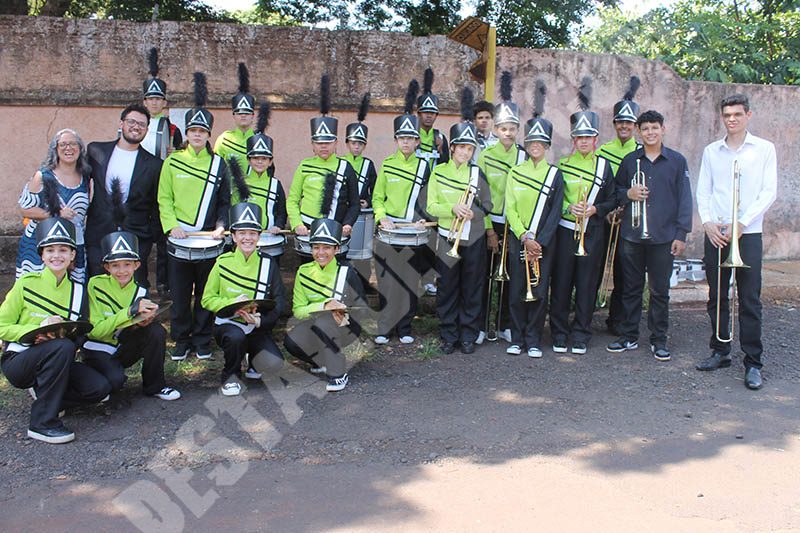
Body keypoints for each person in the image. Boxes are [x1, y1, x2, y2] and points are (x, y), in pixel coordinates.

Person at [0, 218, 112, 444]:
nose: (56, 255)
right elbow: (2, 326)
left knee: (100, 389)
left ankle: (47, 395)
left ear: (72, 255)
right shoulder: (26, 283)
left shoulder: (79, 291)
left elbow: (80, 334)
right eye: (50, 250)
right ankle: (42, 423)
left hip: (59, 359)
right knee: (61, 346)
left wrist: (62, 334)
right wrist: (37, 330)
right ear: (42, 255)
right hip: (20, 359)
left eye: (63, 250)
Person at [695, 94, 777, 390]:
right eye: (727, 115)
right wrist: (707, 223)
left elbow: (769, 192)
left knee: (750, 299)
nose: (731, 119)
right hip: (717, 232)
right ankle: (720, 351)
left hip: (748, 234)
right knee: (717, 296)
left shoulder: (764, 149)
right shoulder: (711, 151)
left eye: (737, 114)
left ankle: (753, 363)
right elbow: (703, 191)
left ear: (748, 115)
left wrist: (742, 223)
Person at [606, 110, 693, 361]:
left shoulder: (677, 161)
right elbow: (616, 192)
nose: (650, 132)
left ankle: (659, 339)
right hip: (632, 235)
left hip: (664, 236)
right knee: (630, 289)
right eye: (645, 129)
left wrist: (681, 234)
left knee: (659, 291)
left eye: (654, 127)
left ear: (663, 129)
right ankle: (628, 336)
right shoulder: (630, 161)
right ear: (639, 132)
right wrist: (628, 194)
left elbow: (685, 199)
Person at [158, 72, 230, 361]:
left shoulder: (218, 164)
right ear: (186, 134)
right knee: (179, 294)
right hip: (179, 237)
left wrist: (221, 226)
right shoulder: (172, 162)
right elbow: (164, 198)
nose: (197, 135)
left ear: (209, 135)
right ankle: (181, 339)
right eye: (193, 131)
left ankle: (202, 339)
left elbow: (225, 201)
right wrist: (171, 226)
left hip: (207, 239)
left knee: (205, 293)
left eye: (202, 131)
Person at [550, 77, 616, 355]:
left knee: (586, 285)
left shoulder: (604, 167)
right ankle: (558, 332)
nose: (584, 141)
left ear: (595, 139)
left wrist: (595, 209)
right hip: (566, 231)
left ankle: (581, 333)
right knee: (561, 282)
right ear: (573, 140)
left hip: (592, 232)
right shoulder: (562, 165)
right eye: (579, 137)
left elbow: (613, 199)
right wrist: (569, 208)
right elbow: (554, 200)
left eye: (588, 137)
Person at [426, 95, 493, 355]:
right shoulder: (438, 172)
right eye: (461, 147)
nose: (465, 152)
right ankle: (448, 335)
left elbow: (488, 204)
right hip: (447, 237)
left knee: (472, 288)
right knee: (447, 288)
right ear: (452, 147)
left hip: (473, 239)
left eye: (470, 148)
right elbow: (431, 206)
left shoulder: (477, 173)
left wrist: (475, 212)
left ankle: (467, 335)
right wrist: (452, 209)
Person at [504, 82, 564, 358]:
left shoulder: (555, 174)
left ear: (547, 145)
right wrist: (524, 236)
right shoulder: (515, 172)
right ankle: (517, 338)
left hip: (543, 244)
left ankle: (534, 339)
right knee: (517, 289)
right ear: (526, 145)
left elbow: (555, 212)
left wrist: (540, 241)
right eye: (531, 142)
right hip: (520, 239)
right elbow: (510, 208)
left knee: (539, 290)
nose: (536, 146)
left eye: (541, 142)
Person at [83, 231, 181, 400]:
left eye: (127, 264)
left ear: (136, 265)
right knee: (115, 383)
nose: (122, 271)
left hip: (122, 346)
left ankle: (155, 386)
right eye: (115, 265)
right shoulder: (95, 284)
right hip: (97, 348)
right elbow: (95, 332)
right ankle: (93, 376)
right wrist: (129, 312)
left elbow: (129, 327)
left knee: (156, 331)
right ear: (107, 267)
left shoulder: (140, 291)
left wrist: (141, 322)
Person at [202, 203, 286, 396]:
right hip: (228, 324)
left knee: (275, 364)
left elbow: (279, 299)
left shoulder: (268, 263)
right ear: (233, 236)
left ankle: (252, 358)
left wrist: (260, 321)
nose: (247, 238)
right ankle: (230, 377)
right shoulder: (222, 263)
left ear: (258, 236)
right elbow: (207, 299)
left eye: (252, 233)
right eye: (242, 233)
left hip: (255, 326)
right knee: (236, 337)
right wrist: (232, 304)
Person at [284, 218, 367, 392]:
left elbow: (362, 307)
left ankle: (338, 373)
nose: (321, 252)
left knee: (324, 323)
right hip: (316, 324)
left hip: (345, 327)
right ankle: (321, 360)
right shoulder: (303, 272)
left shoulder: (347, 271)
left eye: (327, 247)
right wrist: (324, 306)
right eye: (316, 247)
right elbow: (298, 310)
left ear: (337, 249)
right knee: (292, 340)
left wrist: (344, 314)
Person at [372, 102, 431, 345]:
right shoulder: (387, 164)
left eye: (410, 138)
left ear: (417, 141)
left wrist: (424, 219)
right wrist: (381, 217)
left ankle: (405, 327)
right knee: (387, 283)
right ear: (396, 140)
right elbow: (378, 198)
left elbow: (428, 199)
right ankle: (385, 328)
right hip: (389, 232)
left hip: (413, 233)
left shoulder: (424, 166)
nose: (406, 142)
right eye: (402, 138)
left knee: (409, 282)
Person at [85, 103, 163, 286]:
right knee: (97, 286)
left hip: (136, 237)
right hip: (99, 233)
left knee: (135, 288)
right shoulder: (96, 151)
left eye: (142, 124)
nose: (136, 127)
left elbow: (156, 204)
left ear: (147, 130)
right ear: (121, 123)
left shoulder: (155, 165)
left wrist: (150, 237)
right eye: (131, 122)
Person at [477, 71, 527, 344]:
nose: (508, 133)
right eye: (503, 128)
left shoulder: (523, 157)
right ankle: (482, 326)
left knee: (511, 277)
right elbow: (480, 196)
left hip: (514, 225)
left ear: (517, 130)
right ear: (495, 129)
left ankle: (506, 324)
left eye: (512, 128)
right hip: (490, 223)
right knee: (485, 276)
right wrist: (489, 231)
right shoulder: (485, 156)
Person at [286, 75, 359, 243]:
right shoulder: (304, 166)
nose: (323, 146)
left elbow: (354, 203)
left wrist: (348, 223)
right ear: (312, 144)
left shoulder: (345, 167)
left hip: (336, 230)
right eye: (319, 143)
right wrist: (297, 223)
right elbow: (293, 200)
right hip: (307, 230)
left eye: (328, 143)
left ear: (336, 143)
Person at [596, 76, 642, 335]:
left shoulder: (640, 152)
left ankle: (618, 320)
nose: (624, 126)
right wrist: (606, 210)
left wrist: (623, 208)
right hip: (604, 216)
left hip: (628, 218)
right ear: (614, 124)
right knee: (596, 266)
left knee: (625, 271)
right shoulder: (602, 151)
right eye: (620, 122)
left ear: (635, 126)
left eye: (629, 122)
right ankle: (585, 315)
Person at [17, 128, 91, 284]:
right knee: (37, 289)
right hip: (40, 245)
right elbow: (25, 209)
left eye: (73, 144)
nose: (68, 148)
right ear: (55, 149)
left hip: (73, 244)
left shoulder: (86, 178)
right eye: (63, 144)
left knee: (71, 290)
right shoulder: (42, 176)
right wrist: (56, 214)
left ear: (80, 149)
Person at [140, 47, 181, 297]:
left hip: (163, 188)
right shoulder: (134, 125)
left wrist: (174, 152)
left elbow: (181, 157)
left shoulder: (173, 129)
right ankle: (141, 284)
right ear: (144, 101)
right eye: (150, 98)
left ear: (164, 102)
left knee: (165, 240)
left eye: (159, 99)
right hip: (141, 189)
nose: (154, 102)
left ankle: (164, 284)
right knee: (142, 241)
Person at [231, 102, 287, 237]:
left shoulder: (275, 184)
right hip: (245, 239)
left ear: (270, 162)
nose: (260, 162)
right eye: (255, 158)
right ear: (249, 160)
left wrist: (278, 225)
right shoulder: (240, 183)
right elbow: (233, 210)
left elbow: (281, 212)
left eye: (264, 158)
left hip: (269, 237)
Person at [214, 63, 256, 172]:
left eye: (247, 112)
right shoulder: (224, 140)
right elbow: (215, 168)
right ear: (233, 115)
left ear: (253, 115)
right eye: (239, 112)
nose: (243, 115)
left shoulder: (259, 140)